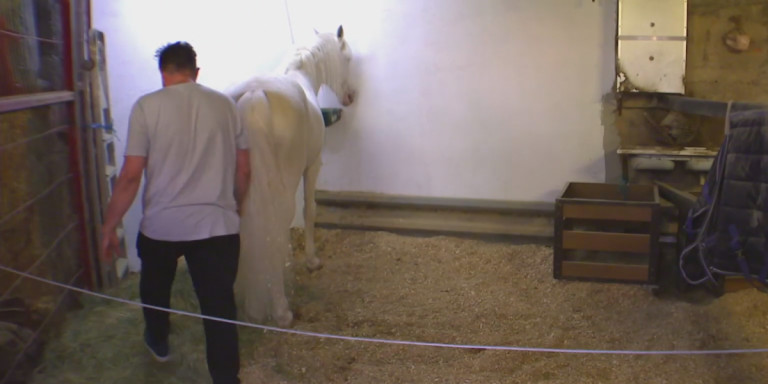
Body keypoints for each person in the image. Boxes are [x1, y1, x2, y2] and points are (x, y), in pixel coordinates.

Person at [100, 41, 251, 384]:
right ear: (196, 73)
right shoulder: (227, 106)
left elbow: (130, 175)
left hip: (161, 225)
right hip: (217, 225)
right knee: (219, 308)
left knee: (155, 286)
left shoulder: (146, 106)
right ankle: (225, 377)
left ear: (163, 73)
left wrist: (109, 225)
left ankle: (158, 341)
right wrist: (236, 205)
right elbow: (244, 170)